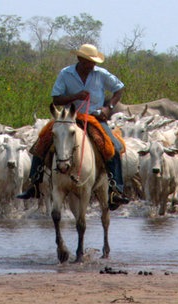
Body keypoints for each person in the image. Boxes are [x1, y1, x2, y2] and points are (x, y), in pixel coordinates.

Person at [17, 43, 130, 210]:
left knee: (113, 146)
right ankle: (34, 184)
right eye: (87, 62)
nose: (91, 65)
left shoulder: (101, 74)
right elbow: (56, 99)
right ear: (79, 59)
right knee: (41, 142)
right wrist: (75, 96)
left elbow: (119, 89)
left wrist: (109, 107)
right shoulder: (66, 73)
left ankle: (115, 190)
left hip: (94, 117)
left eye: (93, 62)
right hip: (68, 117)